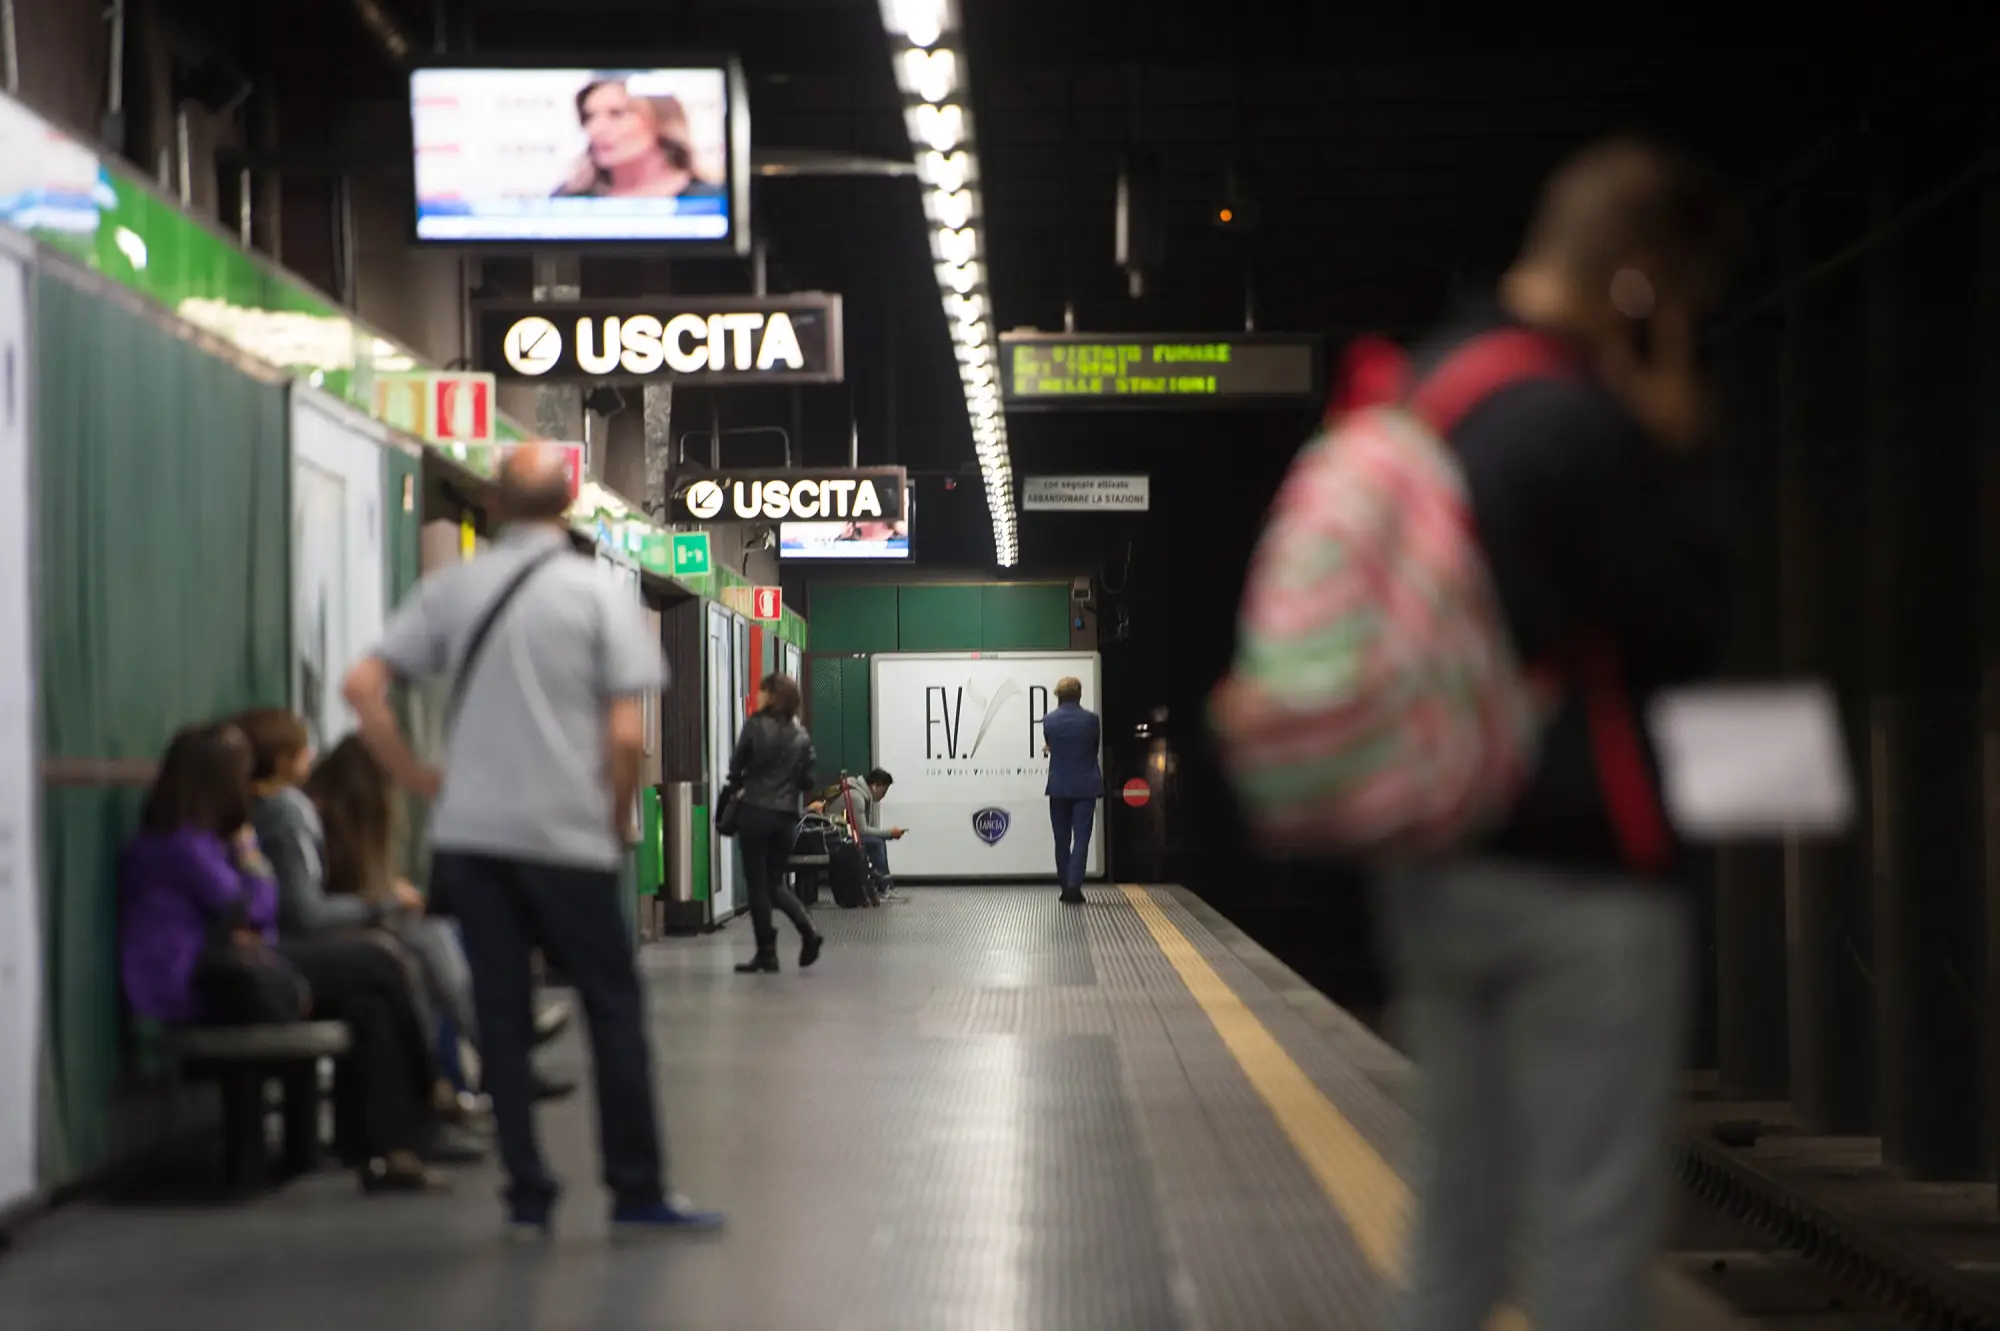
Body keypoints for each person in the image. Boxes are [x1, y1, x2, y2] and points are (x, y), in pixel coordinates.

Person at [1374, 139, 1730, 1331]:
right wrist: (1672, 441)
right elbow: (1680, 622)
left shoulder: (1432, 390)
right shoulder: (1577, 421)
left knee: (1451, 1232)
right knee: (1586, 1240)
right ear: (1636, 280)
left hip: (1432, 855)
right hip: (1577, 867)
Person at [342, 442, 721, 1238]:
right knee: (612, 1007)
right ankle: (636, 1189)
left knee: (502, 1013)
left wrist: (416, 774)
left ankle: (528, 1193)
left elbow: (361, 687)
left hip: (473, 838)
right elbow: (625, 735)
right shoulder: (593, 595)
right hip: (567, 837)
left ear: (498, 502)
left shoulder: (452, 589)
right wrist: (615, 817)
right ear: (570, 502)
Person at [119, 724, 446, 1192]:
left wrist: (246, 909)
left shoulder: (197, 842)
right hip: (202, 982)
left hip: (238, 966)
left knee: (369, 1005)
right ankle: (429, 1088)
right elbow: (255, 906)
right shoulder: (180, 846)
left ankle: (387, 1150)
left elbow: (253, 917)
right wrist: (250, 857)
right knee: (378, 962)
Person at [302, 733, 577, 1106]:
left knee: (438, 935)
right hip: (332, 940)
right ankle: (496, 1057)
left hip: (352, 931)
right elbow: (316, 907)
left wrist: (387, 900)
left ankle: (493, 1058)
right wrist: (385, 902)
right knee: (428, 940)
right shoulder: (313, 821)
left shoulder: (332, 821)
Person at [726, 672, 827, 972]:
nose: (756, 695)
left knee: (758, 884)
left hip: (755, 813)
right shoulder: (801, 735)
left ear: (771, 695)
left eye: (761, 691)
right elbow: (808, 778)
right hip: (785, 819)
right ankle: (808, 929)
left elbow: (735, 768)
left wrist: (741, 786)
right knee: (774, 882)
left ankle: (767, 952)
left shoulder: (755, 727)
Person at [553, 78, 723, 200]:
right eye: (589, 117)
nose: (595, 129)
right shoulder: (568, 201)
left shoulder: (713, 198)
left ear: (659, 121)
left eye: (617, 114)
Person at [1040, 676, 1103, 904]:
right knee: (1082, 838)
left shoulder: (1049, 720)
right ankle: (1074, 887)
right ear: (1079, 694)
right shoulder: (1092, 720)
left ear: (1058, 695)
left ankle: (1065, 885)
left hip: (1058, 786)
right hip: (1086, 786)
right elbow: (1093, 748)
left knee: (1061, 839)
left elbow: (1052, 745)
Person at [837, 768, 906, 903]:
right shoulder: (856, 797)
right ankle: (883, 888)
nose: (883, 796)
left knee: (876, 841)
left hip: (843, 833)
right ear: (875, 786)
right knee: (876, 843)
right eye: (883, 791)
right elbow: (861, 830)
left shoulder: (859, 794)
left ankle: (885, 886)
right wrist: (889, 833)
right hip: (837, 837)